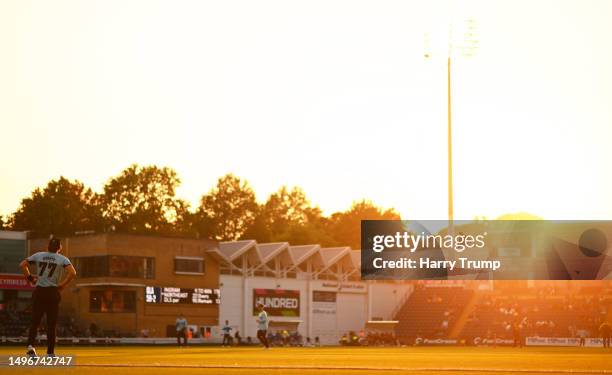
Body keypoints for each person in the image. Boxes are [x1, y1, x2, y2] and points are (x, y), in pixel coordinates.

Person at [20, 238, 77, 357]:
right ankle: (50, 352)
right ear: (59, 248)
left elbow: (23, 265)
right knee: (51, 324)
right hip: (52, 292)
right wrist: (62, 285)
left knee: (35, 321)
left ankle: (30, 346)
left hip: (39, 291)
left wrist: (30, 278)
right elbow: (72, 273)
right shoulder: (62, 259)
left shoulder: (39, 255)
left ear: (48, 246)